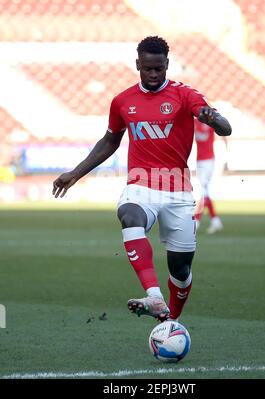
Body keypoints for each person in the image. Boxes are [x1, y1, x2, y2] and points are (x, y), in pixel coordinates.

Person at [52, 36, 232, 323]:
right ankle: (154, 296)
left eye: (158, 69)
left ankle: (169, 321)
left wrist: (214, 119)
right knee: (129, 214)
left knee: (181, 270)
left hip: (177, 189)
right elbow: (110, 141)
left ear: (167, 65)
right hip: (140, 184)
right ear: (138, 64)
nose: (153, 74)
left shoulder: (185, 95)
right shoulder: (123, 101)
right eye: (147, 68)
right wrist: (75, 173)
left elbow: (225, 128)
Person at [194, 119, 224, 234]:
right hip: (200, 160)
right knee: (205, 192)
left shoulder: (211, 122)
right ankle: (215, 221)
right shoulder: (195, 122)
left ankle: (196, 220)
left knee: (203, 191)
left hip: (208, 160)